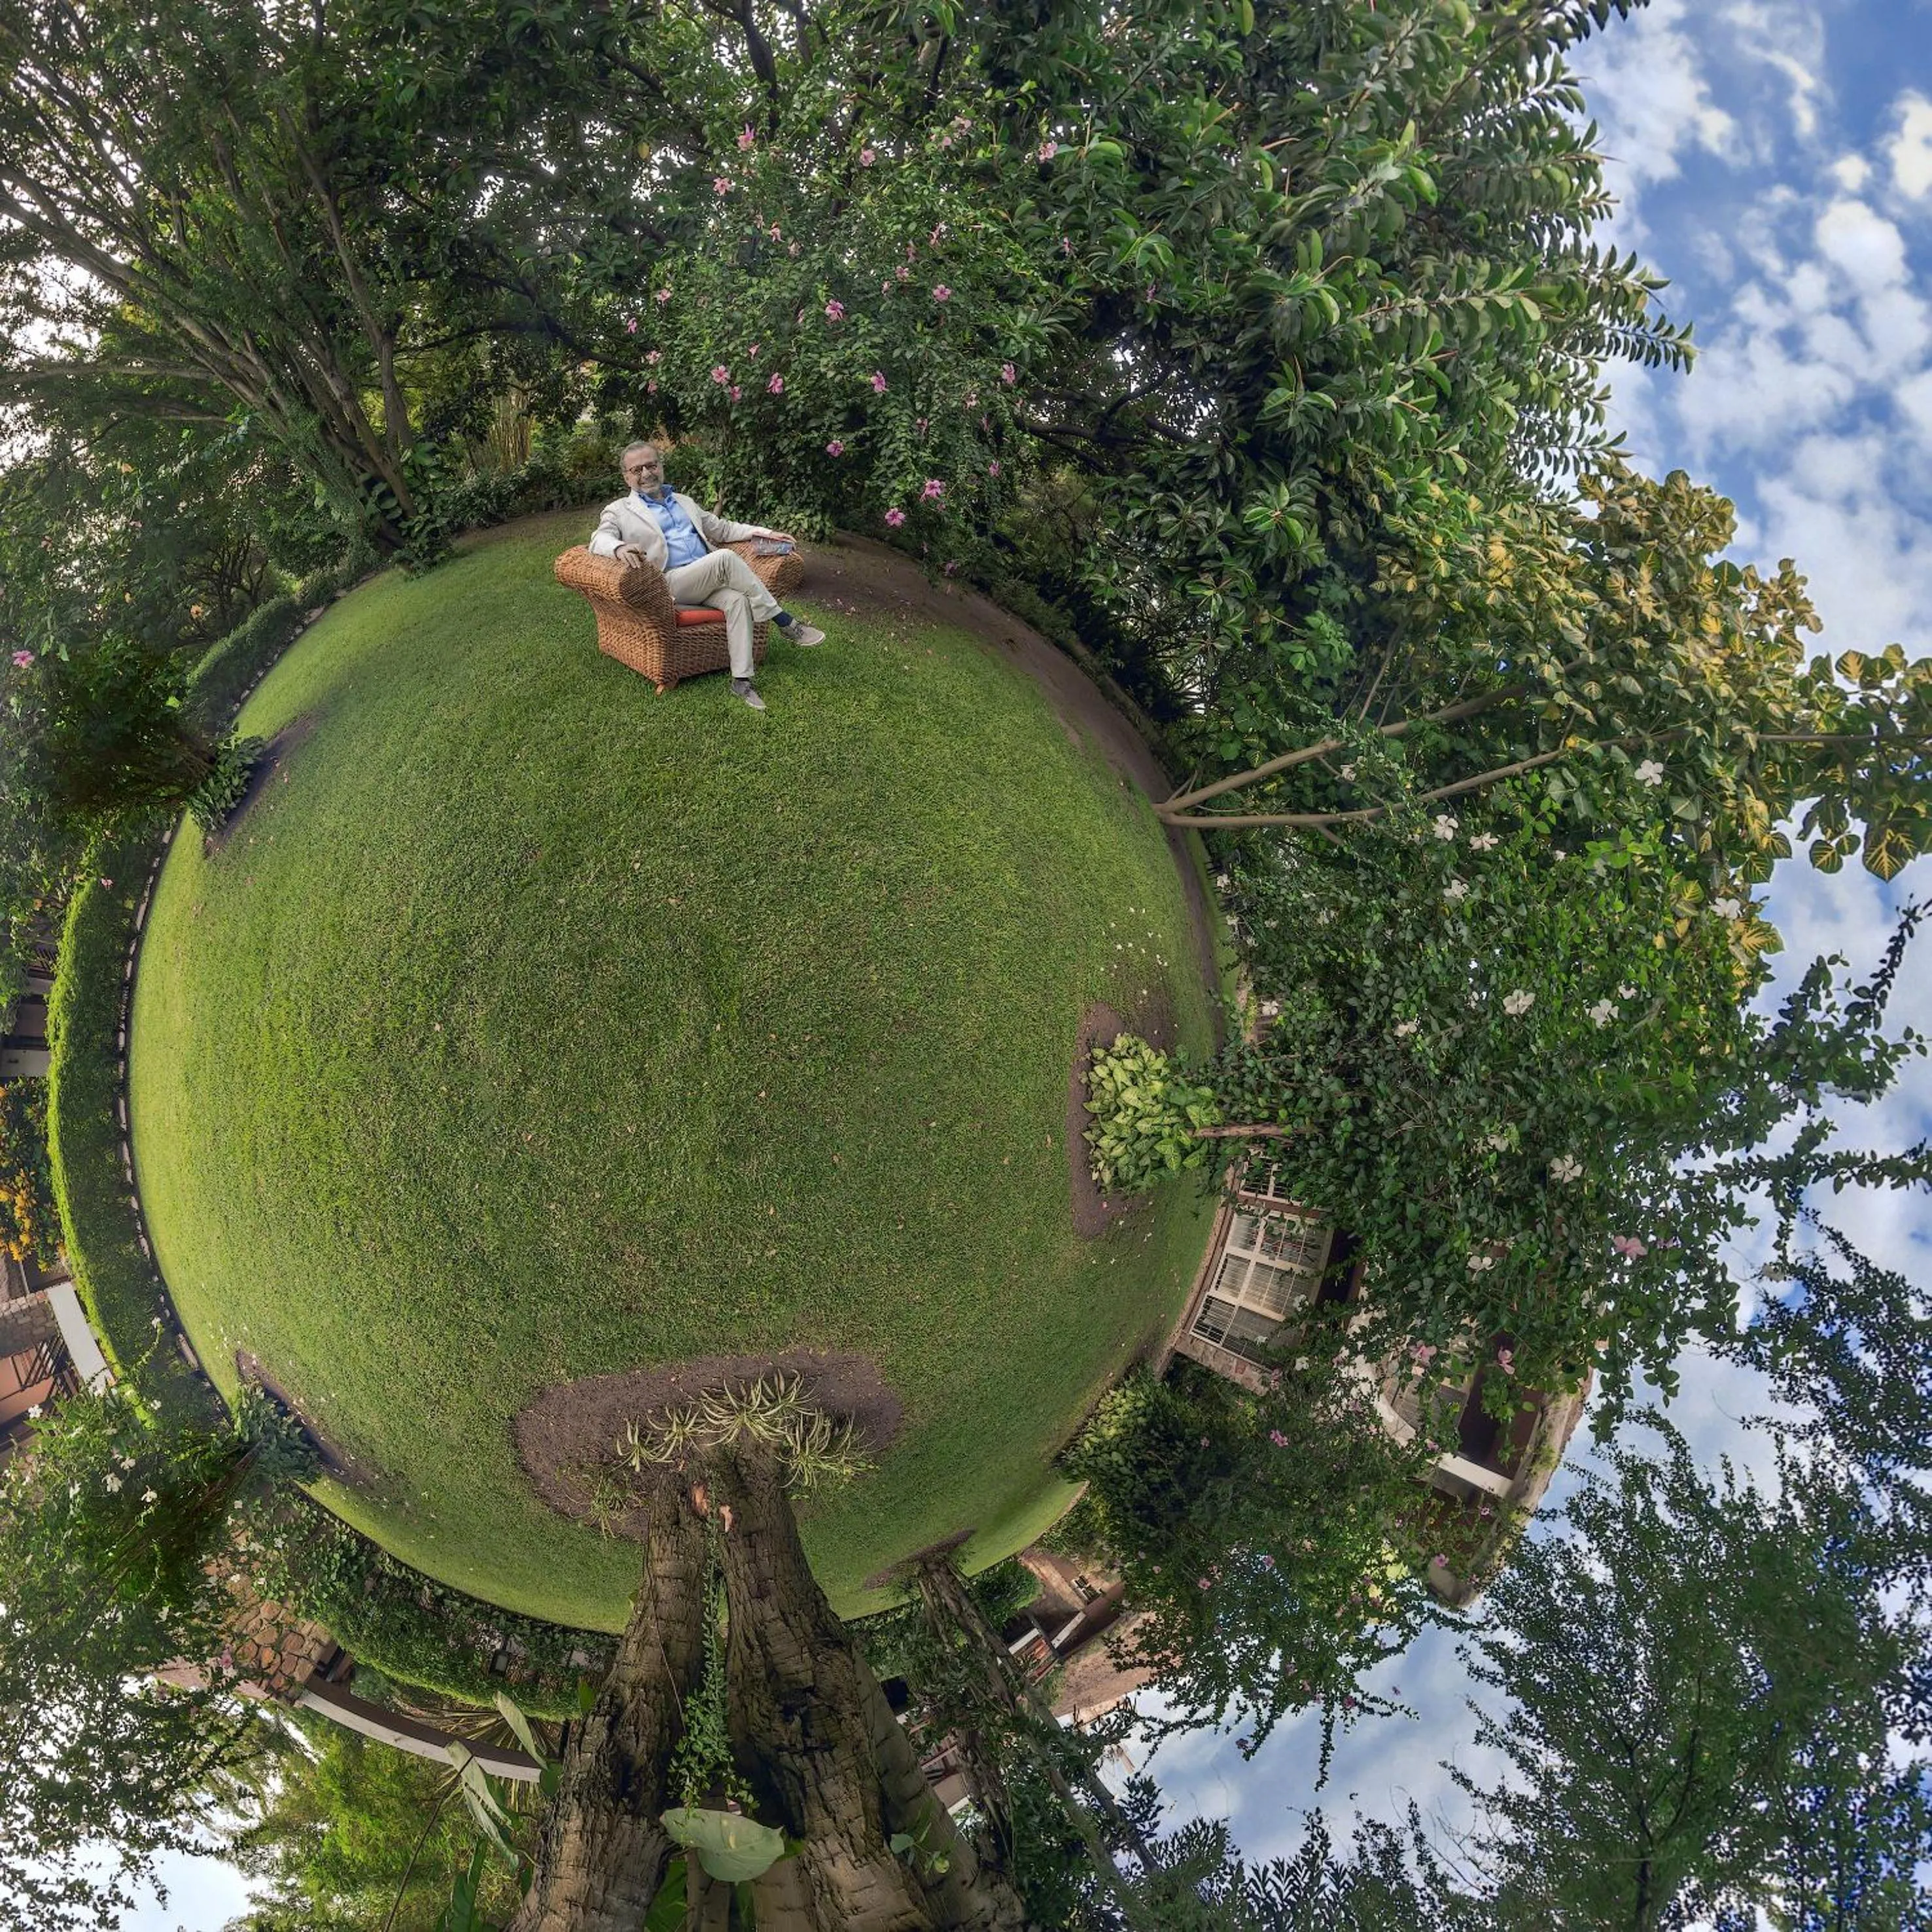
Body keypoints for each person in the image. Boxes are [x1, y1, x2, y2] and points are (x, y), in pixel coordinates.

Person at [588, 442, 824, 711]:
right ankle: (785, 622)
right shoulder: (618, 510)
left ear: (661, 466)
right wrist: (618, 548)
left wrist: (766, 534)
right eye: (637, 469)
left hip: (703, 579)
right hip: (668, 583)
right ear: (627, 477)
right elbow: (598, 539)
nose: (646, 474)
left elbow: (722, 529)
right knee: (724, 559)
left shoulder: (684, 502)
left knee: (737, 600)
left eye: (651, 465)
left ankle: (742, 680)